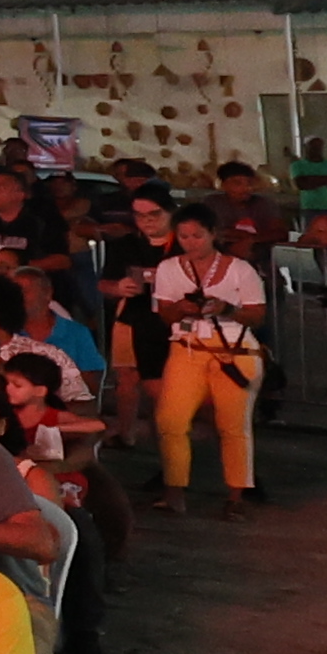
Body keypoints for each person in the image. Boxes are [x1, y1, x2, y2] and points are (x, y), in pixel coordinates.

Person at [134, 206, 267, 504]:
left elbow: (258, 315)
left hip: (234, 350)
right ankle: (174, 492)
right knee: (171, 420)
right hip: (187, 347)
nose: (190, 242)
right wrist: (180, 308)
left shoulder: (239, 269)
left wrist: (227, 309)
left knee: (233, 424)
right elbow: (165, 314)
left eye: (197, 236)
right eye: (184, 236)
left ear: (213, 235)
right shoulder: (169, 268)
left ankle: (237, 496)